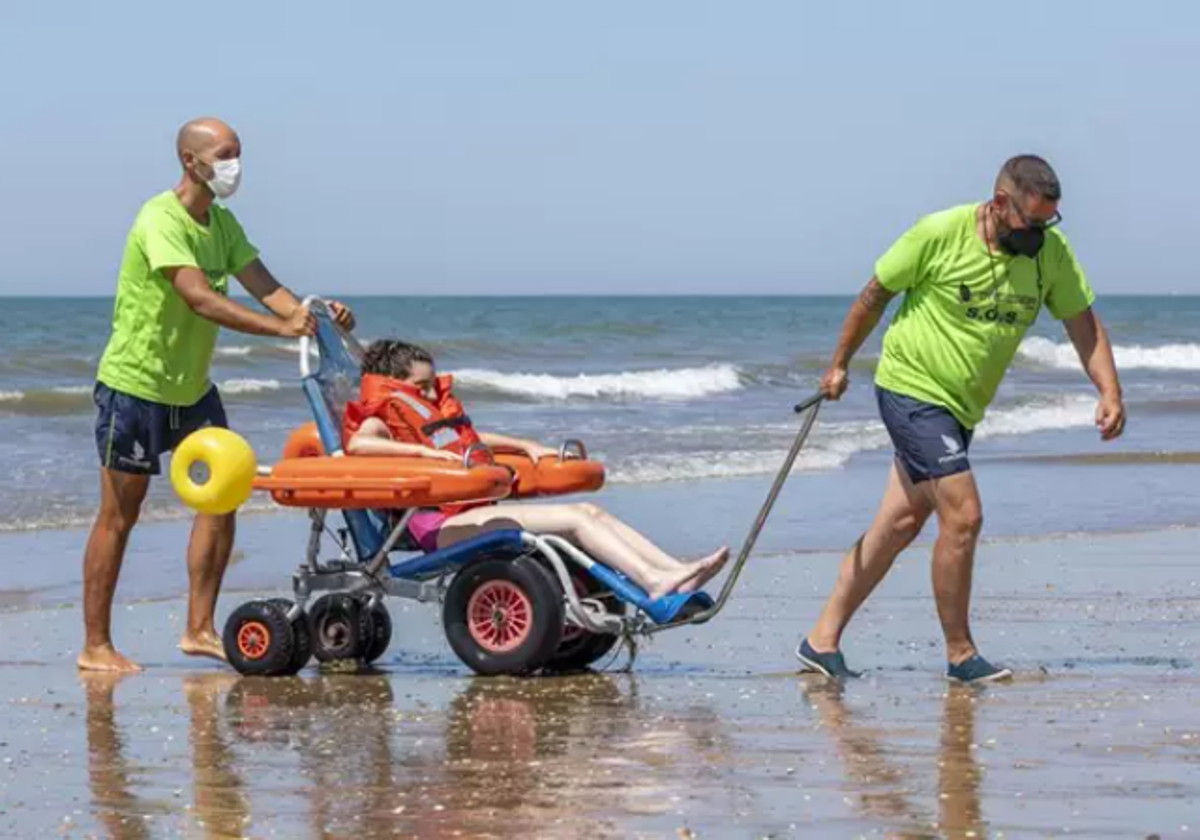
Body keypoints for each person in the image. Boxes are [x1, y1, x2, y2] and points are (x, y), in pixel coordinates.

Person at [798, 155, 1126, 683]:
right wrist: (838, 364)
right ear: (999, 204)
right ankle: (960, 655)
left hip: (961, 409)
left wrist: (1109, 389)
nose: (1040, 235)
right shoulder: (940, 234)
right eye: (1031, 223)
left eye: (1049, 223)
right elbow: (874, 294)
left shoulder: (1051, 255)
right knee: (964, 514)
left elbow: (1082, 324)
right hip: (910, 389)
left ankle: (821, 640)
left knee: (900, 524)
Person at [80, 117, 355, 673]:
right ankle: (96, 645)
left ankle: (199, 630)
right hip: (134, 387)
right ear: (191, 160)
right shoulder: (160, 218)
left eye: (239, 154)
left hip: (193, 390)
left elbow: (268, 287)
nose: (236, 166)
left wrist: (316, 316)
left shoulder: (222, 225)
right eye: (226, 155)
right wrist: (280, 330)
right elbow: (199, 299)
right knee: (119, 515)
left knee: (222, 497)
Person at [344, 340, 730, 598]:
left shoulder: (425, 419)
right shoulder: (383, 418)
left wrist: (525, 446)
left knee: (590, 512)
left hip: (470, 514)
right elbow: (359, 444)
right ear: (394, 386)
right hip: (437, 528)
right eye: (422, 387)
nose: (431, 395)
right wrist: (429, 458)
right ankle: (654, 580)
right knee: (576, 521)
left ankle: (674, 572)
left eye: (433, 385)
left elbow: (470, 440)